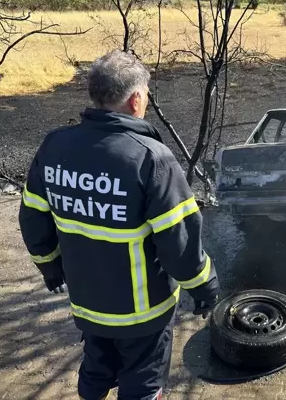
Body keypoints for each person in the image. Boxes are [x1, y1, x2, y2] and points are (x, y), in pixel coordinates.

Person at [19, 50, 220, 400]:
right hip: (142, 312)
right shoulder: (151, 159)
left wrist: (49, 266)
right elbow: (180, 244)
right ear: (136, 98)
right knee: (141, 384)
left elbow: (33, 216)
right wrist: (204, 286)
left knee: (97, 367)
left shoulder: (54, 146)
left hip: (88, 302)